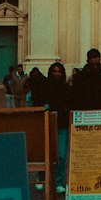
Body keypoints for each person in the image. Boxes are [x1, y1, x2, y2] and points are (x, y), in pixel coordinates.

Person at [39, 61, 72, 189]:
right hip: (47, 123)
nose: (57, 74)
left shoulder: (66, 88)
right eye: (55, 71)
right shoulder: (45, 87)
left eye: (59, 71)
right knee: (44, 153)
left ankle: (58, 181)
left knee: (61, 155)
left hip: (62, 124)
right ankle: (42, 178)